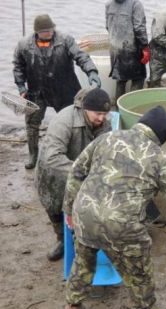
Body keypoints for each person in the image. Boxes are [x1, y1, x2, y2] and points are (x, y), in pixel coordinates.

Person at [61, 106, 166, 309]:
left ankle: (72, 308)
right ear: (162, 136)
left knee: (83, 261)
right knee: (139, 271)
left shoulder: (108, 137)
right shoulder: (157, 156)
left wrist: (69, 209)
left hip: (85, 213)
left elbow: (76, 171)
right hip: (122, 224)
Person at [12, 14, 101, 169]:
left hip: (65, 89)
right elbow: (18, 66)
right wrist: (21, 86)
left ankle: (75, 152)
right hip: (37, 91)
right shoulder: (24, 45)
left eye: (51, 29)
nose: (50, 32)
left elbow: (81, 57)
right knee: (32, 125)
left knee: (76, 121)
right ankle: (33, 154)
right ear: (37, 32)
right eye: (46, 31)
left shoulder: (66, 40)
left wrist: (92, 71)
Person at [35, 88, 112, 261]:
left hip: (80, 171)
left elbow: (106, 149)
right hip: (53, 174)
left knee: (82, 209)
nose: (102, 118)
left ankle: (84, 241)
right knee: (54, 208)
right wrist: (84, 171)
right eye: (98, 113)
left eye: (105, 114)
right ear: (86, 109)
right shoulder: (64, 120)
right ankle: (61, 240)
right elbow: (52, 157)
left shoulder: (104, 123)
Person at [105, 0, 149, 100]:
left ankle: (118, 108)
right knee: (138, 78)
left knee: (120, 80)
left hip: (114, 48)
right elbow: (139, 28)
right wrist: (145, 47)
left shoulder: (108, 4)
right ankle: (132, 105)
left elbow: (107, 26)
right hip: (131, 48)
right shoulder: (136, 4)